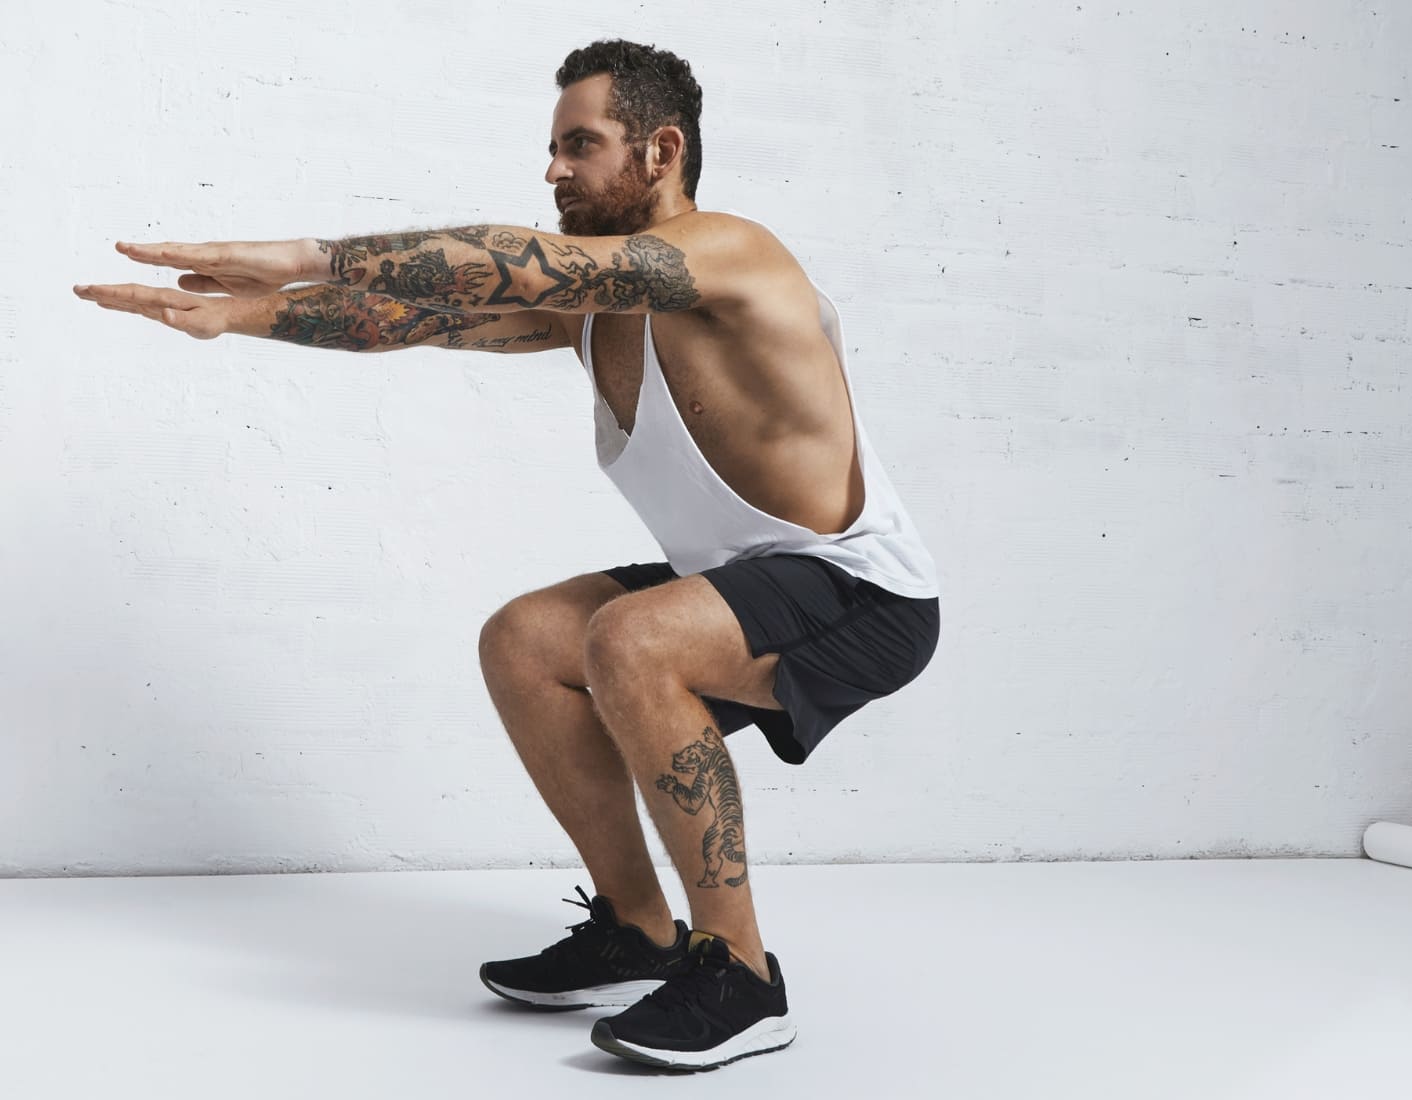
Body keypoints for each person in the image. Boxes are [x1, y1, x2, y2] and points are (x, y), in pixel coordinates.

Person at [74, 38, 940, 1071]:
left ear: (661, 151)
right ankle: (638, 933)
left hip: (862, 592)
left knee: (629, 639)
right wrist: (232, 315)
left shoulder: (728, 254)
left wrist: (304, 252)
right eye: (553, 148)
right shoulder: (596, 309)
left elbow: (510, 256)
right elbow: (419, 316)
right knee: (526, 640)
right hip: (739, 584)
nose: (554, 169)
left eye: (581, 145)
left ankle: (743, 977)